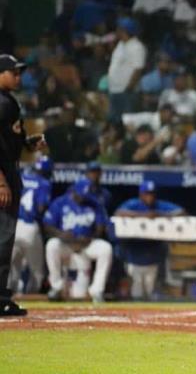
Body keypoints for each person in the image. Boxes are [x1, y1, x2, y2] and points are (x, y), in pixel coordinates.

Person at [0, 55, 47, 317]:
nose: (18, 77)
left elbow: (8, 142)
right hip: (3, 177)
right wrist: (1, 182)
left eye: (19, 73)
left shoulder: (8, 102)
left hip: (8, 172)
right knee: (3, 240)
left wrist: (28, 143)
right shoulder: (2, 103)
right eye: (13, 72)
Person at [43, 179, 113, 303]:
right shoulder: (60, 202)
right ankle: (56, 287)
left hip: (86, 244)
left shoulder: (94, 204)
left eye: (85, 195)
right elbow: (47, 225)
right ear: (74, 191)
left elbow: (101, 227)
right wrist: (61, 234)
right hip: (66, 243)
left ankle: (97, 291)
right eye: (81, 194)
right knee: (52, 245)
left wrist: (90, 237)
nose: (83, 198)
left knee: (105, 248)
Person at [114, 180, 184, 300]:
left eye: (152, 193)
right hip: (133, 255)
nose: (150, 196)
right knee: (137, 292)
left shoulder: (159, 206)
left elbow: (182, 212)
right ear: (141, 194)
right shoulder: (133, 204)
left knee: (149, 292)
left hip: (153, 256)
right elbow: (118, 213)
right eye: (146, 193)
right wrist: (143, 216)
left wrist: (159, 215)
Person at [8, 156, 53, 294]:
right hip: (29, 226)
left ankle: (7, 300)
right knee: (37, 271)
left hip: (13, 225)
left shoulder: (22, 176)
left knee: (11, 269)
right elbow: (40, 208)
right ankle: (33, 301)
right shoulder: (44, 183)